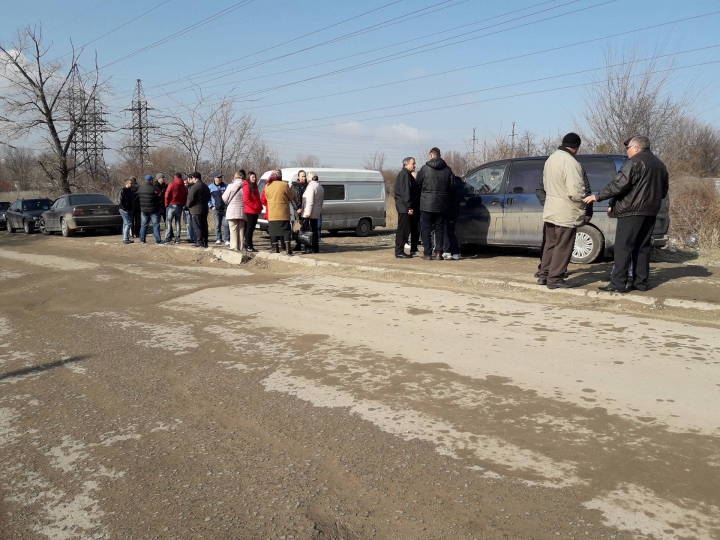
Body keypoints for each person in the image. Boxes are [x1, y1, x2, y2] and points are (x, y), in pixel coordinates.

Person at [585, 135, 669, 293]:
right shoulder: (660, 165)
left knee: (623, 248)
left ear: (636, 148)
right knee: (643, 247)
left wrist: (598, 196)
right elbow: (663, 191)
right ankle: (641, 283)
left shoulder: (634, 162)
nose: (627, 151)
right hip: (650, 212)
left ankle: (617, 284)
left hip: (631, 211)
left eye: (628, 148)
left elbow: (619, 185)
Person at [537, 132, 588, 289]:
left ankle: (544, 275)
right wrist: (584, 202)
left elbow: (544, 184)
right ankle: (555, 278)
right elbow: (576, 191)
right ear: (576, 147)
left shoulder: (551, 159)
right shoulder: (571, 162)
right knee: (563, 245)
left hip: (550, 208)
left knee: (550, 244)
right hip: (566, 210)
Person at [534, 168, 593, 278]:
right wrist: (548, 203)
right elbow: (539, 189)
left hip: (567, 213)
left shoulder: (576, 169)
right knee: (550, 243)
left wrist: (588, 211)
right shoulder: (552, 170)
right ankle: (545, 272)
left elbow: (586, 192)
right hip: (555, 213)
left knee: (561, 244)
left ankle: (555, 271)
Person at [416, 147, 454, 260]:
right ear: (439, 155)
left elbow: (418, 184)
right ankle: (439, 253)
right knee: (440, 229)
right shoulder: (447, 170)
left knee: (426, 229)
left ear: (431, 155)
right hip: (441, 204)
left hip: (426, 204)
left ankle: (427, 253)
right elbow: (452, 187)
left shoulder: (425, 169)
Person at [261, 169, 294, 255]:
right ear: (280, 176)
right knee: (286, 231)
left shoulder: (267, 186)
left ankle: (275, 249)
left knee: (273, 232)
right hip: (283, 212)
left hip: (272, 213)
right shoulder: (284, 185)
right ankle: (288, 250)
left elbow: (266, 198)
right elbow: (291, 196)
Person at [394, 157, 418, 258]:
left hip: (404, 206)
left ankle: (400, 250)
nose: (415, 165)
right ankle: (399, 251)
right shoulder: (404, 175)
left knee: (405, 229)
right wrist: (409, 207)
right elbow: (406, 192)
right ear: (406, 164)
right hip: (404, 207)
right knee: (403, 229)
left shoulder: (407, 175)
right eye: (413, 163)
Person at [442, 174, 465, 260]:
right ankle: (453, 251)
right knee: (449, 231)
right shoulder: (458, 181)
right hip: (452, 209)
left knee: (448, 231)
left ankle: (452, 251)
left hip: (450, 209)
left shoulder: (453, 182)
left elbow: (457, 197)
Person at [301, 172, 324, 254]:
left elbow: (310, 202)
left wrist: (307, 214)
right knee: (314, 231)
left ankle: (309, 249)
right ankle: (315, 248)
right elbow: (321, 201)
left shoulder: (311, 187)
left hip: (310, 213)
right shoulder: (320, 186)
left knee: (308, 232)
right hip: (317, 212)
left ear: (310, 178)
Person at [223, 171, 246, 251]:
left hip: (232, 211)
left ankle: (234, 247)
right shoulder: (245, 186)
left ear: (235, 177)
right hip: (243, 210)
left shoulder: (231, 186)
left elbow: (224, 198)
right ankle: (241, 247)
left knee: (233, 229)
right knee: (241, 230)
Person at [137, 174, 163, 244]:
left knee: (144, 225)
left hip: (144, 210)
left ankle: (142, 240)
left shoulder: (140, 188)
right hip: (154, 209)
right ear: (151, 180)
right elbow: (160, 197)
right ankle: (157, 240)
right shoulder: (154, 188)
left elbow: (137, 197)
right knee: (156, 225)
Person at [187, 172, 211, 248]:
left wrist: (188, 206)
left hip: (196, 209)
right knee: (204, 225)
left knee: (197, 226)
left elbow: (190, 198)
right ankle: (205, 242)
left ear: (194, 178)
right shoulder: (205, 186)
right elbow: (208, 197)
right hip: (204, 208)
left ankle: (199, 241)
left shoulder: (195, 187)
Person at [164, 172, 188, 244]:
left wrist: (166, 204)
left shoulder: (172, 184)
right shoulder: (184, 186)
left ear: (175, 178)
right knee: (178, 222)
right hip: (180, 205)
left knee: (168, 221)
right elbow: (185, 196)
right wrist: (183, 204)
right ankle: (177, 238)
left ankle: (167, 238)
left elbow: (167, 194)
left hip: (171, 204)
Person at [243, 171, 262, 252]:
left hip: (255, 211)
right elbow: (246, 199)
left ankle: (250, 245)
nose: (254, 179)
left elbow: (257, 199)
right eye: (252, 177)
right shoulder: (247, 186)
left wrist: (260, 206)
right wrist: (255, 206)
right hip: (250, 211)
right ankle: (248, 245)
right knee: (249, 229)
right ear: (249, 178)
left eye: (255, 177)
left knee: (252, 229)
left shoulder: (255, 186)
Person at [209, 173, 229, 245]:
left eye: (221, 177)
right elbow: (208, 198)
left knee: (226, 224)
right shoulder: (210, 187)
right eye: (218, 177)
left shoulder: (226, 186)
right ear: (215, 178)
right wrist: (211, 206)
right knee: (217, 224)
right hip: (216, 209)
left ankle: (226, 239)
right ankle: (218, 238)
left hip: (225, 209)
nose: (220, 179)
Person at [291, 170, 308, 251]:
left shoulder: (307, 186)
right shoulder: (294, 186)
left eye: (305, 176)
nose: (304, 178)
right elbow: (292, 199)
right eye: (302, 176)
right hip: (297, 210)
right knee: (297, 227)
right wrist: (297, 208)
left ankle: (306, 244)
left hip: (305, 209)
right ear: (298, 177)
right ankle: (298, 244)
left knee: (305, 227)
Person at [118, 178, 135, 245]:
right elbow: (119, 200)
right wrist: (123, 207)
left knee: (126, 224)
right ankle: (125, 239)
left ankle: (126, 238)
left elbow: (131, 200)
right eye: (131, 183)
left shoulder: (131, 191)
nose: (132, 184)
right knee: (128, 223)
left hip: (130, 209)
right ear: (127, 183)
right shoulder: (122, 190)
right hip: (124, 209)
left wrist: (132, 206)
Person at [182, 176, 196, 244]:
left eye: (186, 183)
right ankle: (189, 236)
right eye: (184, 183)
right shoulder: (182, 189)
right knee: (187, 223)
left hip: (190, 208)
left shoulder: (191, 188)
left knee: (191, 223)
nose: (186, 184)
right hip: (184, 208)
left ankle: (192, 237)